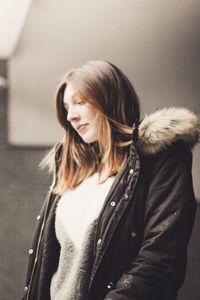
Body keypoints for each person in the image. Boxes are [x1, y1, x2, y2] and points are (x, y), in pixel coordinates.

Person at [21, 60, 199, 300]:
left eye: (80, 102)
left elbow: (159, 263)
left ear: (110, 99)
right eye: (66, 106)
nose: (70, 116)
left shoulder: (160, 160)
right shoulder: (71, 170)